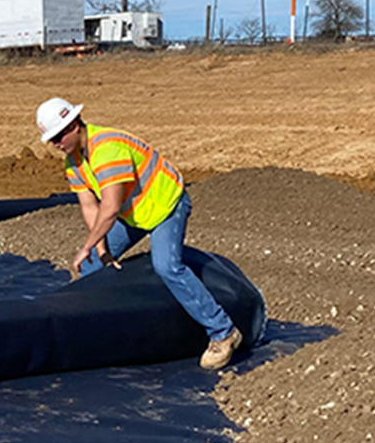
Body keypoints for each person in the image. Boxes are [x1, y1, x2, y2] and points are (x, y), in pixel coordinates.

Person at [35, 97, 243, 370]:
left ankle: (223, 332)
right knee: (92, 267)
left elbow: (108, 208)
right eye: (52, 140)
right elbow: (90, 206)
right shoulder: (73, 164)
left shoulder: (107, 148)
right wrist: (100, 251)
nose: (57, 144)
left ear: (75, 124)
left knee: (167, 266)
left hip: (166, 205)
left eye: (59, 135)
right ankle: (103, 331)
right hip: (133, 213)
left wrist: (85, 246)